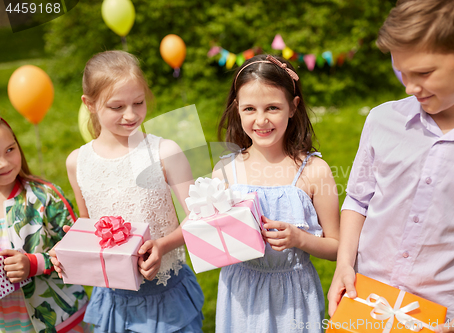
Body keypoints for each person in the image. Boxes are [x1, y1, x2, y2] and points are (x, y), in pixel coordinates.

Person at [327, 1, 454, 332]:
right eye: (401, 73)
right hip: (363, 300)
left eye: (423, 73)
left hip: (442, 317)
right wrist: (344, 265)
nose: (409, 88)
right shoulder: (382, 120)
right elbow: (358, 199)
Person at [52, 50, 204, 333]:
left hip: (165, 297)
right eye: (117, 107)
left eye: (138, 102)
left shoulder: (164, 152)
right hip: (113, 301)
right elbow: (87, 226)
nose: (131, 114)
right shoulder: (78, 162)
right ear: (90, 104)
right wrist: (66, 251)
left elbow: (200, 217)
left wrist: (162, 245)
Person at [214, 54, 340, 333]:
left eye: (272, 107)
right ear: (237, 109)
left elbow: (337, 247)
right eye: (249, 109)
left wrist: (300, 239)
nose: (261, 120)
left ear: (293, 107)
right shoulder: (225, 171)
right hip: (240, 296)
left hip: (293, 297)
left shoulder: (315, 171)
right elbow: (215, 242)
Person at [0, 117, 91, 333]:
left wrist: (34, 264)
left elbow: (80, 250)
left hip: (60, 320)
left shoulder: (45, 197)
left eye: (9, 150)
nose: (3, 162)